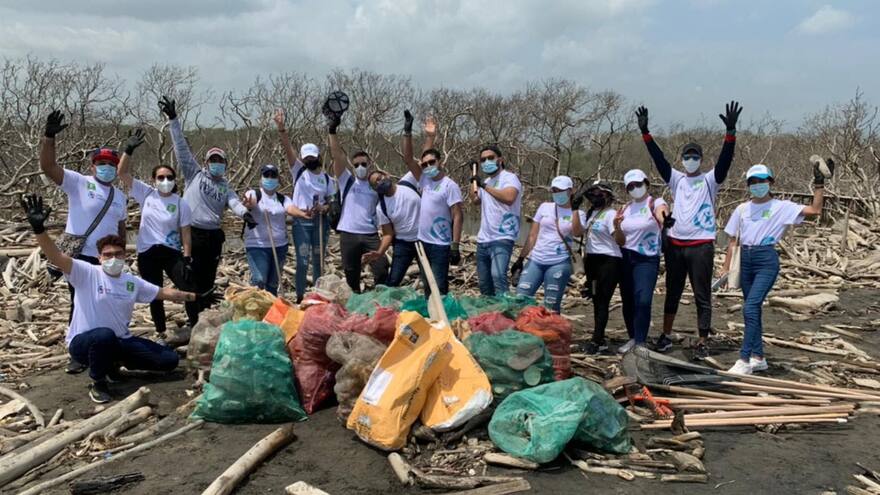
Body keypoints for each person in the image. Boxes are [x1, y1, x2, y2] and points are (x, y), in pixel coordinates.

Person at [20, 195, 220, 403]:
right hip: (84, 343)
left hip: (120, 341)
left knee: (169, 360)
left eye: (118, 254)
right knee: (104, 336)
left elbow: (165, 293)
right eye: (107, 255)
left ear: (125, 256)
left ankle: (114, 363)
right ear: (99, 258)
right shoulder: (86, 272)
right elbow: (55, 256)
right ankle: (98, 382)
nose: (113, 258)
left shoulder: (130, 282)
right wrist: (39, 230)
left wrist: (197, 296)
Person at [636, 102, 742, 357]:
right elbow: (658, 159)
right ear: (682, 160)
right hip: (675, 244)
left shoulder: (709, 180)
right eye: (687, 156)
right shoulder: (676, 179)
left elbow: (725, 162)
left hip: (701, 245)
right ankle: (666, 335)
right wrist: (646, 134)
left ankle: (703, 339)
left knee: (701, 294)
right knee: (672, 292)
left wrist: (730, 134)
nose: (691, 160)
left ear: (701, 160)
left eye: (695, 156)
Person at [722, 160, 831, 374]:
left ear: (770, 182)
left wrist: (819, 184)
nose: (757, 184)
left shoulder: (781, 207)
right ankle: (759, 356)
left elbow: (815, 210)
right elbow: (733, 240)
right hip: (745, 258)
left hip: (766, 259)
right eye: (753, 181)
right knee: (751, 309)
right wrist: (726, 269)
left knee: (751, 307)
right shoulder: (742, 208)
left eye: (762, 180)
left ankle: (744, 360)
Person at [40, 110, 128, 373]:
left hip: (108, 258)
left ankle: (104, 350)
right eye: (101, 163)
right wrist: (49, 138)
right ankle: (77, 353)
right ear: (92, 166)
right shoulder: (79, 183)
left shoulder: (119, 197)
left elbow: (121, 229)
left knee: (107, 302)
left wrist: (121, 255)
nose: (107, 167)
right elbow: (48, 167)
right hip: (80, 256)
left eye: (112, 164)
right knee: (80, 302)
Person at [160, 97, 255, 322]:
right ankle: (194, 321)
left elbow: (234, 203)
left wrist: (245, 214)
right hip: (190, 234)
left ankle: (204, 319)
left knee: (207, 281)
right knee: (189, 277)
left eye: (220, 160)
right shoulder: (195, 174)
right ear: (206, 162)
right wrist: (173, 120)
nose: (216, 163)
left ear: (225, 164)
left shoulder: (225, 186)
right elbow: (181, 148)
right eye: (212, 160)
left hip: (212, 238)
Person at [117, 129, 194, 343]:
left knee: (187, 286)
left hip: (171, 252)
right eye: (161, 177)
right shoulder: (146, 194)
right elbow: (122, 173)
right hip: (148, 252)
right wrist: (128, 150)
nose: (165, 181)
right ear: (154, 179)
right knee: (155, 293)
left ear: (174, 180)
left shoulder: (181, 203)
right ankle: (160, 332)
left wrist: (187, 257)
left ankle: (195, 324)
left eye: (169, 177)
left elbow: (186, 233)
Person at [327, 103, 389, 292]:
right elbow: (337, 156)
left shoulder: (376, 183)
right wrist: (332, 131)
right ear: (353, 167)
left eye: (364, 163)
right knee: (351, 272)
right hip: (348, 233)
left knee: (381, 268)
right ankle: (355, 302)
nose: (360, 167)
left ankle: (379, 299)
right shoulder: (347, 181)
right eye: (357, 164)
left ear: (369, 164)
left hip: (370, 233)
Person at [274, 110, 334, 302]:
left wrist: (324, 208)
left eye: (311, 157)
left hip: (320, 223)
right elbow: (287, 148)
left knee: (319, 261)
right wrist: (282, 129)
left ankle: (317, 295)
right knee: (302, 261)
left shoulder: (326, 178)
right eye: (305, 157)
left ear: (318, 156)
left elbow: (332, 201)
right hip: (301, 222)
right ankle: (300, 296)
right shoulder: (299, 170)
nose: (309, 160)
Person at [401, 112, 463, 295]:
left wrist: (455, 245)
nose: (428, 166)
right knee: (427, 284)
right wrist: (408, 132)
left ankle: (442, 319)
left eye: (432, 162)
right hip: (423, 242)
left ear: (440, 162)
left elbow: (457, 215)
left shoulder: (450, 185)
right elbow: (408, 158)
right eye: (425, 164)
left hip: (440, 245)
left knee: (439, 285)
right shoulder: (424, 180)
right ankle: (431, 317)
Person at [614, 169, 670, 353]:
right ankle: (632, 337)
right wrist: (616, 226)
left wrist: (665, 219)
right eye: (631, 186)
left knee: (643, 299)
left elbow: (662, 212)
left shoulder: (654, 202)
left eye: (638, 184)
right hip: (626, 256)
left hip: (646, 258)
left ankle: (640, 341)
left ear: (646, 183)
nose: (635, 188)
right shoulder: (625, 208)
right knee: (628, 299)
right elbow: (620, 240)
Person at [513, 176, 584, 312]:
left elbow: (577, 233)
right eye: (554, 190)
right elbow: (533, 235)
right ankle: (522, 328)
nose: (557, 193)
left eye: (561, 190)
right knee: (521, 298)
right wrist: (521, 259)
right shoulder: (544, 207)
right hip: (537, 259)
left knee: (551, 304)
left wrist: (574, 210)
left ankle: (552, 331)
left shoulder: (579, 213)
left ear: (571, 191)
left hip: (559, 262)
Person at [242, 164, 310, 296]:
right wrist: (249, 204)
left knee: (273, 284)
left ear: (278, 179)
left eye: (273, 175)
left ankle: (271, 310)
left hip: (279, 246)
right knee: (260, 280)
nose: (270, 178)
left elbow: (290, 208)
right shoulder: (254, 194)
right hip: (258, 246)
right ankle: (253, 306)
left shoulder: (282, 198)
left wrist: (302, 214)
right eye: (266, 175)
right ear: (261, 178)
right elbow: (251, 202)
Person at [577, 181, 622, 354]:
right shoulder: (591, 213)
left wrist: (618, 227)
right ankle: (599, 336)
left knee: (603, 300)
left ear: (608, 195)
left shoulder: (610, 214)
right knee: (596, 299)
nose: (595, 195)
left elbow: (616, 238)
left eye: (600, 192)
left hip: (609, 261)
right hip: (592, 261)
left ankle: (597, 340)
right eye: (593, 192)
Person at [471, 145, 523, 296]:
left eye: (490, 158)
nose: (487, 161)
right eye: (483, 160)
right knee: (484, 282)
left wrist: (484, 186)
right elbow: (475, 199)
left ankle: (505, 313)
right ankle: (490, 314)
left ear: (500, 160)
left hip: (502, 237)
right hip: (484, 238)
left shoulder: (509, 178)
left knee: (498, 276)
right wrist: (472, 180)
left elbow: (509, 198)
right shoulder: (486, 181)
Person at [366, 168, 421, 287]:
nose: (380, 182)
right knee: (393, 280)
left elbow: (415, 163)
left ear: (387, 175)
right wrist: (380, 252)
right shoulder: (382, 208)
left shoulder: (408, 182)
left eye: (380, 178)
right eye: (376, 183)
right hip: (403, 244)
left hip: (423, 239)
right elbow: (388, 234)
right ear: (375, 189)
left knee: (429, 277)